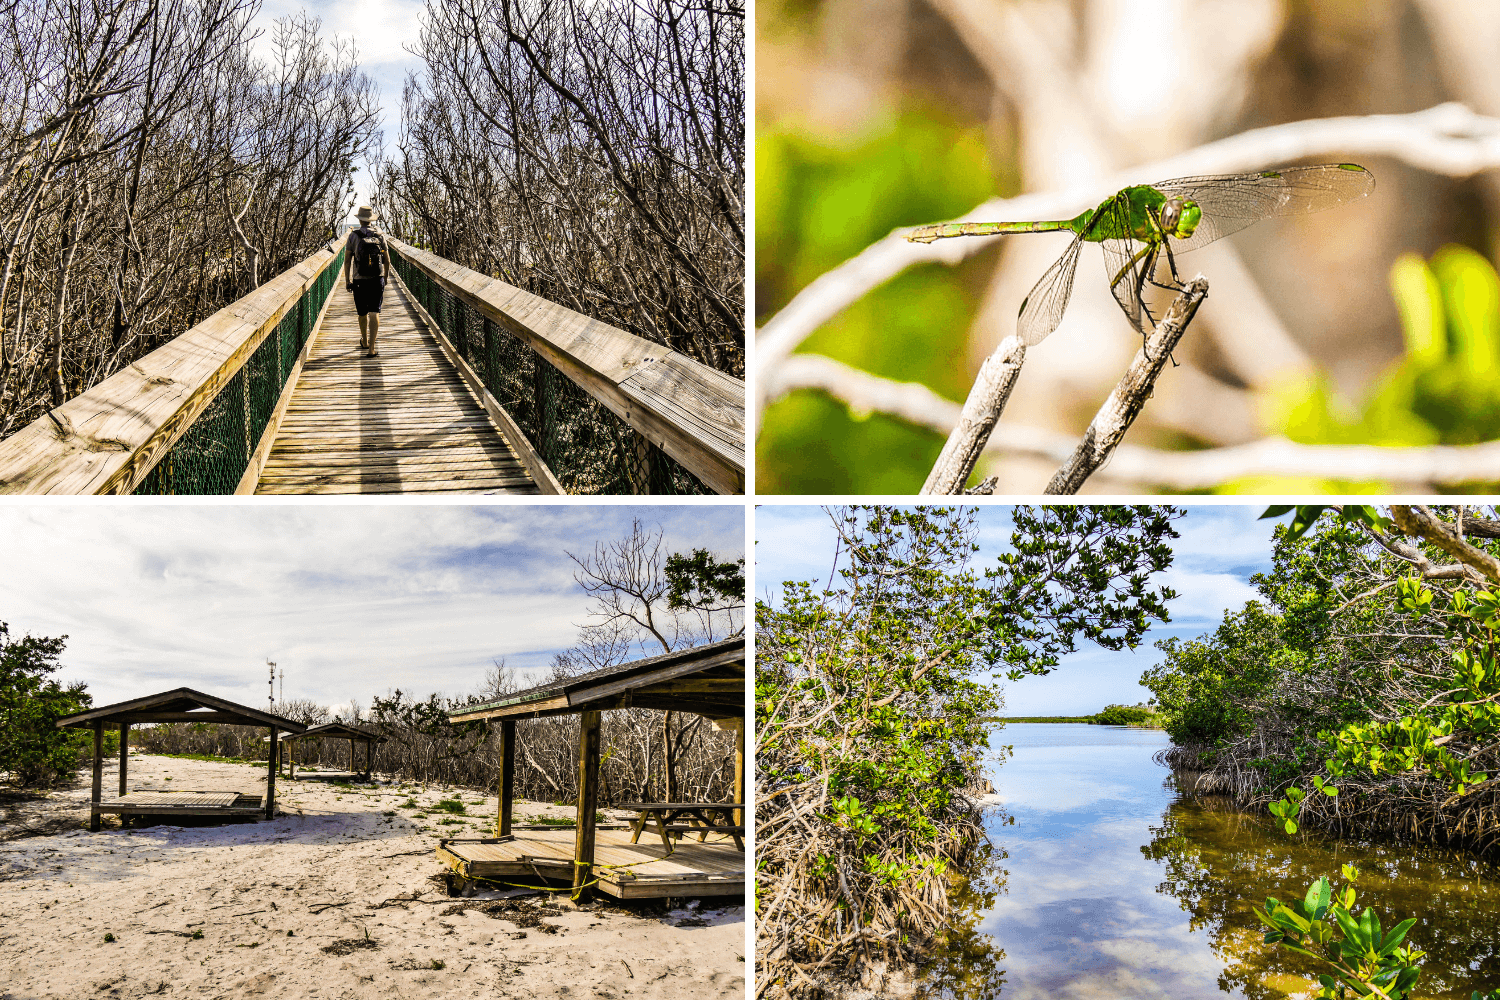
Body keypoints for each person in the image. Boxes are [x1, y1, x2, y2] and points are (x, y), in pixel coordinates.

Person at [343, 205, 391, 356]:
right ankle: (372, 348)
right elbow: (387, 259)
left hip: (359, 280)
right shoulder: (380, 235)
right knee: (374, 311)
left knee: (362, 312)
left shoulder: (353, 236)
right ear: (371, 220)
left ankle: (364, 341)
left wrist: (347, 280)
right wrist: (386, 277)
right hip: (377, 278)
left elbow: (347, 261)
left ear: (360, 220)